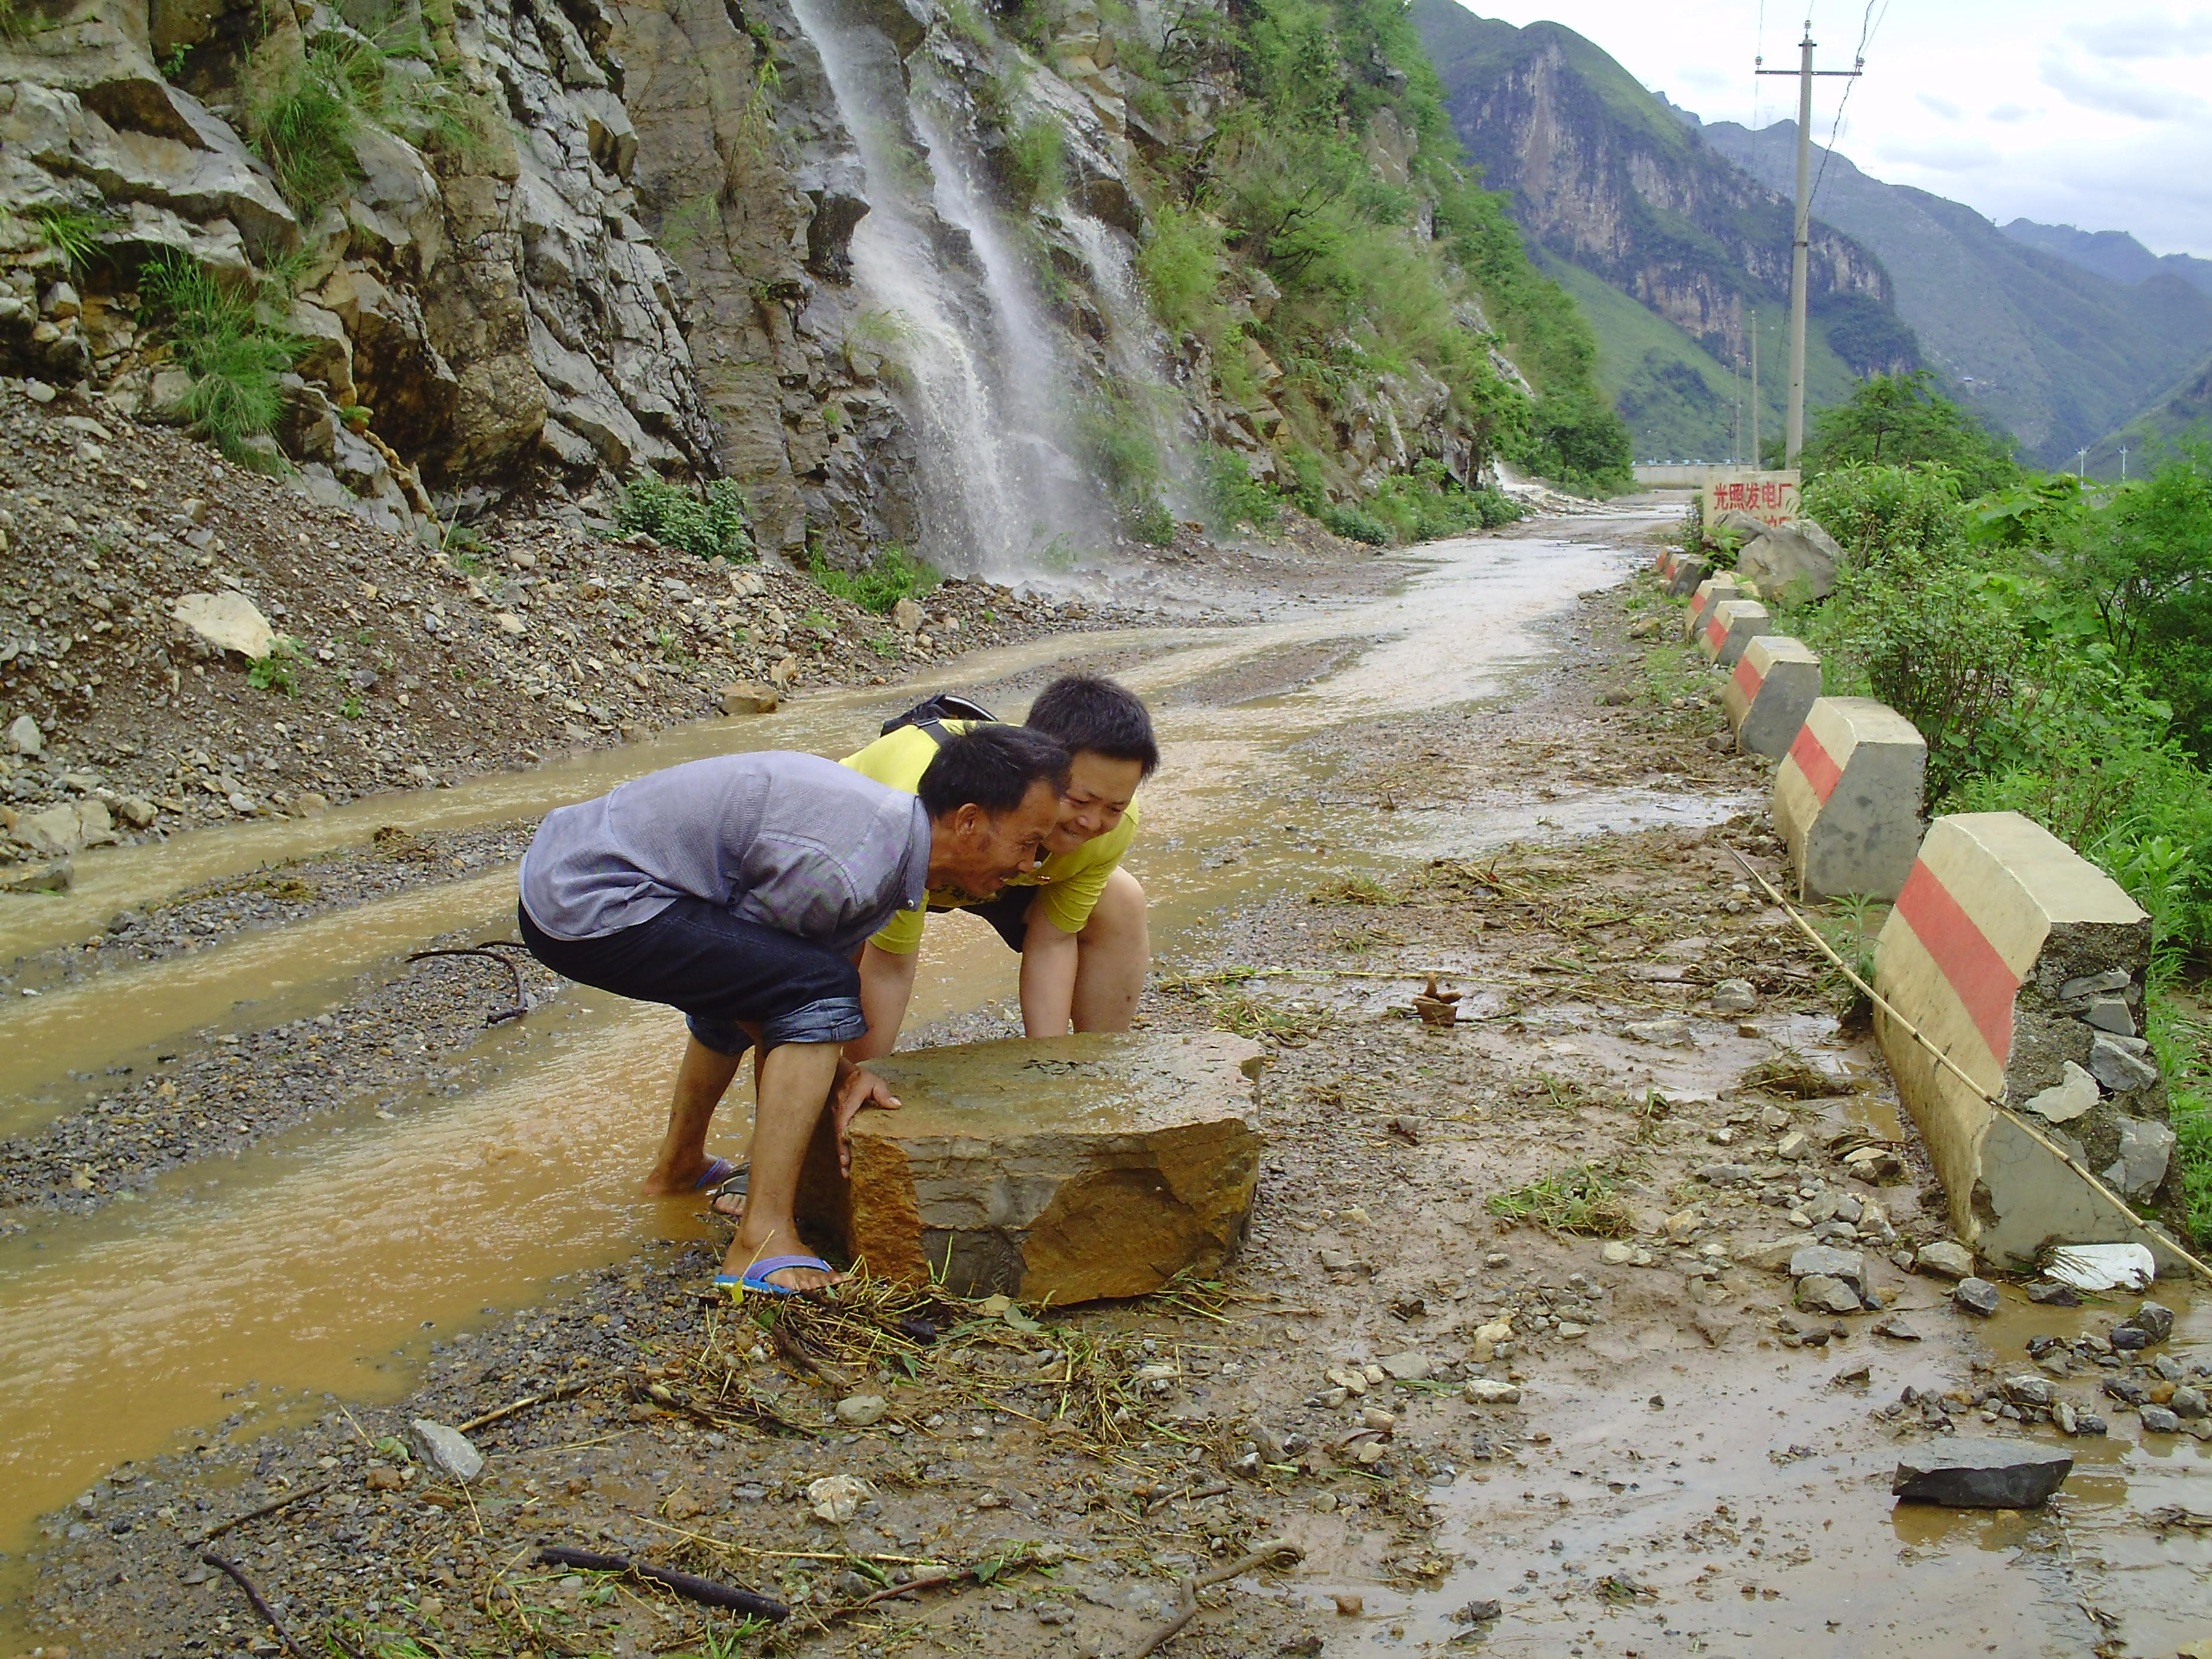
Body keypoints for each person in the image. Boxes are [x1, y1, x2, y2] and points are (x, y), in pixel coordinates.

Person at [515, 728, 1068, 1294]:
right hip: (588, 898)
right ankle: (761, 1238)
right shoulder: (846, 868)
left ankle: (679, 1166)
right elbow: (784, 1008)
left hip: (582, 869)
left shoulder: (890, 837)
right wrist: (838, 1069)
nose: (1029, 864)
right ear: (969, 822)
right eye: (1028, 843)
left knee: (769, 975)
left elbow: (757, 978)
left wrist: (834, 1064)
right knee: (812, 991)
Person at [839, 674, 1158, 1060]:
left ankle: (1098, 1068)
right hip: (872, 857)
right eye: (1078, 801)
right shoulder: (915, 812)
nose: (1092, 822)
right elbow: (889, 966)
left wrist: (1050, 1067)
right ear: (1039, 767)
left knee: (1120, 901)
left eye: (1114, 807)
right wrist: (865, 1076)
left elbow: (1053, 941)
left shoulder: (1110, 828)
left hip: (997, 861)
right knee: (838, 969)